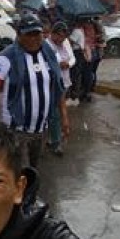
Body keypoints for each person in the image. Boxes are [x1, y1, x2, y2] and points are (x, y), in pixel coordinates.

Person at [0, 11, 69, 169]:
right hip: (16, 128)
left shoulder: (49, 54)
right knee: (20, 171)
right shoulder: (5, 58)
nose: (34, 38)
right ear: (19, 35)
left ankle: (30, 194)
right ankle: (22, 194)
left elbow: (58, 87)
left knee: (34, 168)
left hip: (41, 127)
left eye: (37, 34)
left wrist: (64, 117)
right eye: (28, 34)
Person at [45, 21, 76, 155]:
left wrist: (68, 64)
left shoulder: (65, 42)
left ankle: (54, 139)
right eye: (60, 37)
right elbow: (47, 62)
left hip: (64, 80)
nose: (62, 40)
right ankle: (56, 140)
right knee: (55, 112)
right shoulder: (46, 44)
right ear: (53, 33)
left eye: (64, 37)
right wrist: (58, 64)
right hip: (50, 82)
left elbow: (72, 58)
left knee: (58, 111)